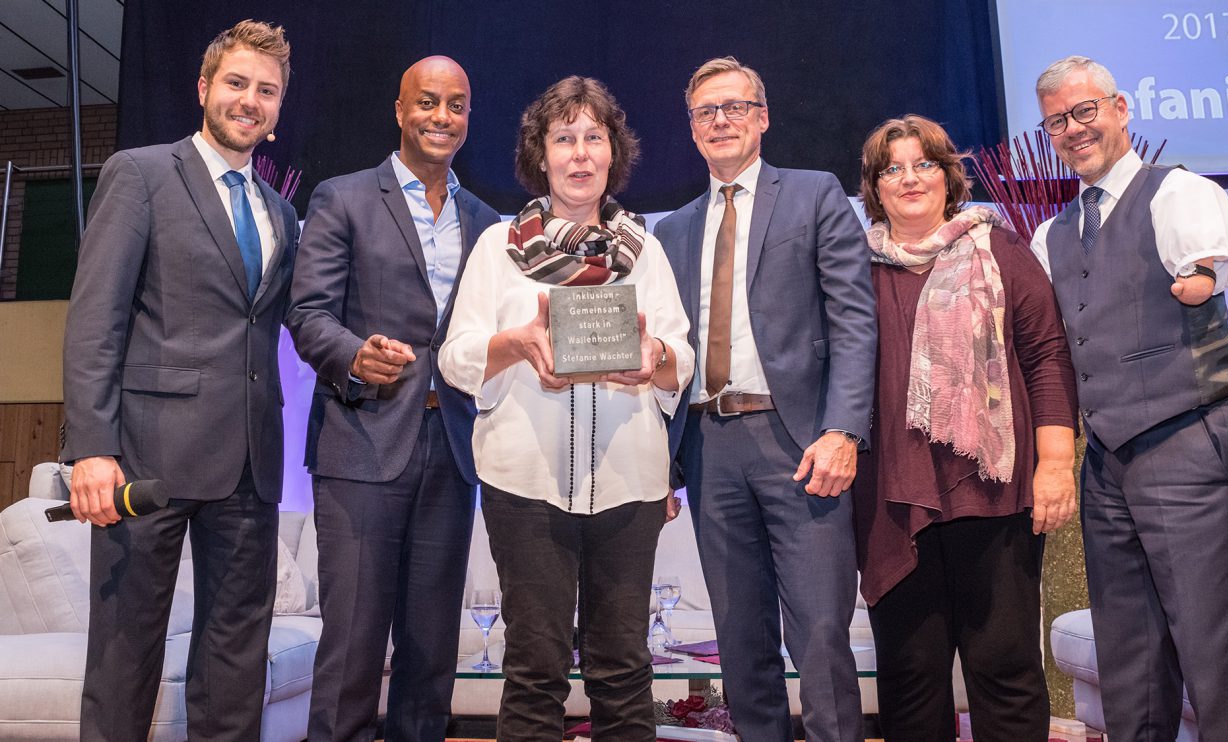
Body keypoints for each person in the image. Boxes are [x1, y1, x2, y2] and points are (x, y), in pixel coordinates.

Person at [59, 20, 297, 742]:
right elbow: (94, 318)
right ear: (203, 88)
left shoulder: (280, 211)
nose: (249, 100)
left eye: (266, 90)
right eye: (236, 83)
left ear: (279, 108)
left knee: (235, 662)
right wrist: (91, 449)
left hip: (251, 464)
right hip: (145, 460)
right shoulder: (140, 173)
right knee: (125, 655)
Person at [439, 76, 693, 741]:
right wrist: (516, 344)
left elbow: (683, 358)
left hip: (629, 487)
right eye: (563, 139)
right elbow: (456, 356)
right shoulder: (499, 248)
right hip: (524, 488)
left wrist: (655, 358)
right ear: (541, 154)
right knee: (534, 668)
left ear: (614, 152)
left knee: (623, 669)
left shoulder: (646, 250)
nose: (579, 155)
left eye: (593, 138)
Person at [1030, 55, 1228, 742]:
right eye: (1057, 122)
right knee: (1129, 652)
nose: (1074, 129)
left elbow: (1208, 260)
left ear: (1120, 108)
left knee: (1211, 639)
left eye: (1085, 111)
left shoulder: (1177, 193)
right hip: (1106, 459)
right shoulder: (1052, 233)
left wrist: (1199, 276)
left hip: (1191, 437)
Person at [653, 57, 876, 742]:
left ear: (763, 116)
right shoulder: (672, 229)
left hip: (801, 443)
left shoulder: (814, 195)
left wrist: (844, 429)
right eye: (705, 111)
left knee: (818, 639)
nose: (720, 120)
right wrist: (661, 463)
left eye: (734, 106)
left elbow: (854, 321)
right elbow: (668, 354)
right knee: (740, 645)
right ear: (691, 128)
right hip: (708, 447)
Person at [286, 56, 500, 741]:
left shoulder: (486, 221)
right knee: (351, 650)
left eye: (457, 105)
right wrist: (354, 355)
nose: (443, 117)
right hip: (362, 447)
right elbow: (309, 313)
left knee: (432, 652)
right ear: (400, 109)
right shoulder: (343, 198)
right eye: (428, 102)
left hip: (451, 453)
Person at [852, 114, 1079, 742]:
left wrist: (1056, 464)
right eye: (891, 168)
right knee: (910, 674)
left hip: (993, 492)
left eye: (922, 163)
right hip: (893, 501)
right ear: (874, 187)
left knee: (1003, 666)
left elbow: (1046, 356)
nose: (909, 178)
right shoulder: (851, 267)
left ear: (948, 175)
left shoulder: (999, 250)